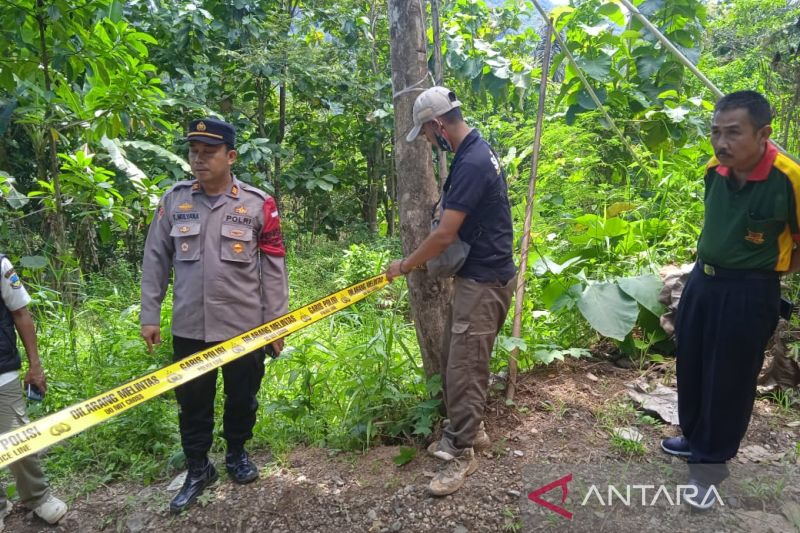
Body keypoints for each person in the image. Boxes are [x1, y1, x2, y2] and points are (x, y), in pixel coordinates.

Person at [140, 118, 289, 514]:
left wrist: (278, 324)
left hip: (245, 328)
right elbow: (155, 259)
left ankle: (237, 452)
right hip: (190, 327)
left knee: (243, 396)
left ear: (231, 156)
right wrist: (149, 314)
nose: (199, 160)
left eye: (209, 153)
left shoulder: (258, 204)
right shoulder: (174, 201)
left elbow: (274, 267)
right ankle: (197, 467)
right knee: (192, 402)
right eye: (194, 152)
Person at [661, 91, 800, 509]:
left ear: (763, 133)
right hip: (704, 281)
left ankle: (710, 466)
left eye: (733, 133)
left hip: (750, 290)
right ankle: (694, 435)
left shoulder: (788, 177)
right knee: (693, 363)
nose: (722, 143)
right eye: (716, 132)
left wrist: (767, 272)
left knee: (731, 377)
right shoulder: (714, 170)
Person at [385, 87, 516, 496]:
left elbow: (444, 235)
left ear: (437, 125)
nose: (426, 141)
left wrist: (406, 265)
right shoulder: (474, 152)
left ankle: (460, 453)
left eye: (425, 133)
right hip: (480, 278)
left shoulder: (473, 161)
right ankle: (469, 431)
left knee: (463, 370)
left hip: (484, 281)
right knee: (461, 360)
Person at [0, 254, 68, 529]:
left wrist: (35, 367)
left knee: (17, 439)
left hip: (2, 372)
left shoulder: (1, 265)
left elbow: (21, 314)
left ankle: (38, 498)